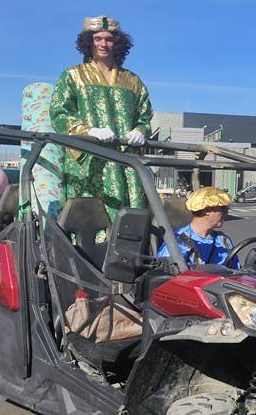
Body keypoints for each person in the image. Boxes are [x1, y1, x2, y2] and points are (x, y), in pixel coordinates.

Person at [50, 16, 153, 224]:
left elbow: (145, 115)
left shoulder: (133, 80)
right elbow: (59, 112)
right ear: (89, 42)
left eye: (109, 39)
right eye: (97, 39)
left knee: (130, 216)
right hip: (90, 159)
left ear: (117, 43)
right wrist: (87, 131)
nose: (103, 44)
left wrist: (141, 130)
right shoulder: (73, 75)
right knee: (90, 217)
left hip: (126, 162)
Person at [157, 187, 240, 268]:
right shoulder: (178, 242)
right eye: (223, 209)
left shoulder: (223, 240)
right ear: (207, 210)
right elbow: (166, 273)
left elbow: (237, 271)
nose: (226, 212)